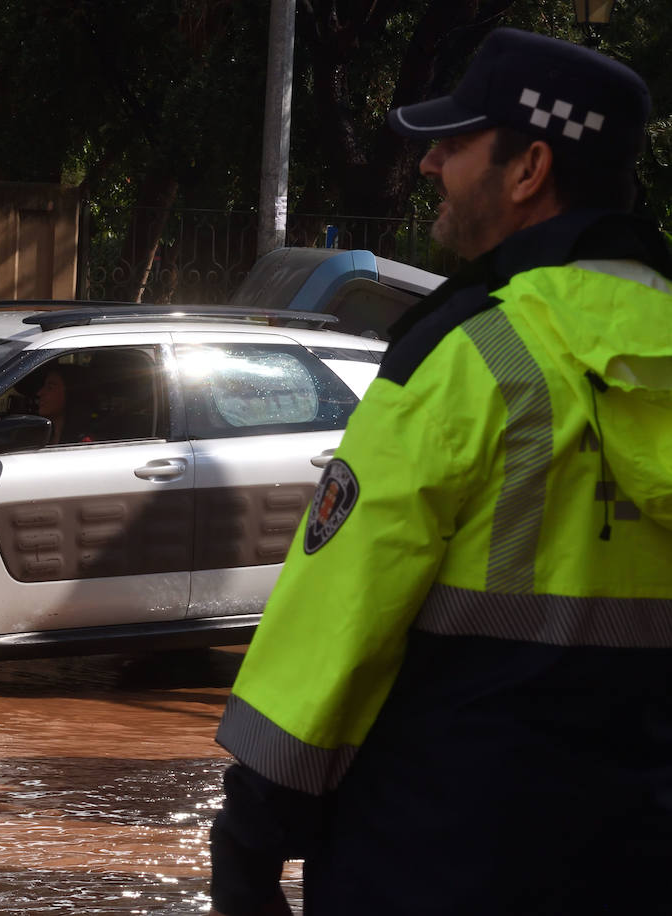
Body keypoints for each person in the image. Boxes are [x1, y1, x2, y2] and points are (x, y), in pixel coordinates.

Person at [210, 28, 672, 916]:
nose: (429, 165)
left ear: (530, 167)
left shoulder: (471, 353)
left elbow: (342, 612)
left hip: (438, 853)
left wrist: (252, 834)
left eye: (456, 144)